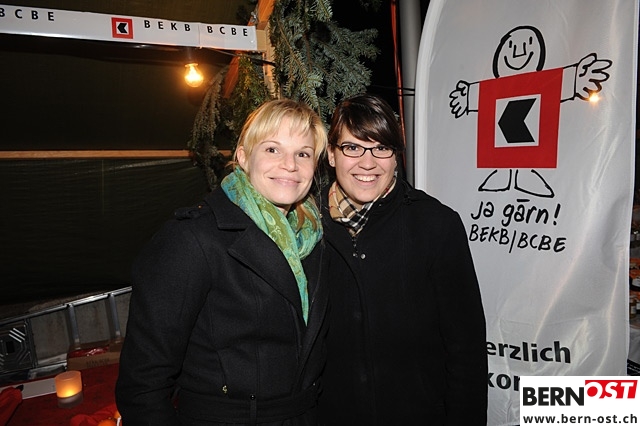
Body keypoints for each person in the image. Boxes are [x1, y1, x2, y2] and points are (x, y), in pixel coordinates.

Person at [116, 99, 329, 426]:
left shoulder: (313, 237)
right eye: (272, 149)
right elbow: (144, 384)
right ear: (243, 157)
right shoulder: (193, 239)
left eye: (303, 153)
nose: (290, 165)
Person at [317, 94, 487, 425]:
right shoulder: (304, 225)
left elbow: (466, 348)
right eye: (352, 147)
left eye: (381, 147)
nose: (368, 163)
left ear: (396, 156)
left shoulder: (436, 225)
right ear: (332, 155)